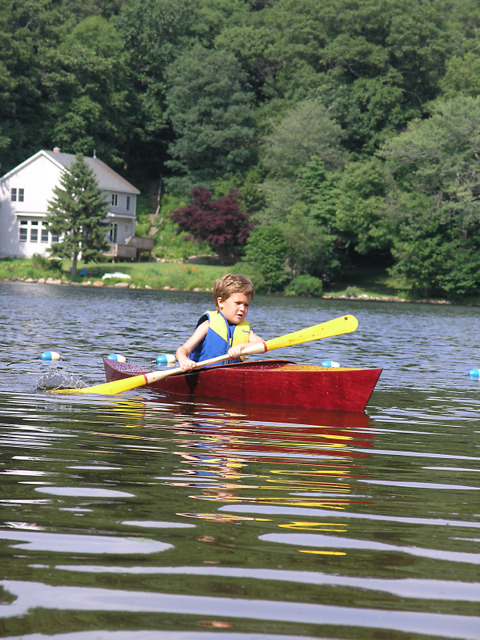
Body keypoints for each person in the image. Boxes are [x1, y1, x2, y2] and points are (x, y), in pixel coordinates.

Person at [176, 273, 264, 371]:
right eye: (238, 303)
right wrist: (184, 360)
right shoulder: (208, 325)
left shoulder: (244, 330)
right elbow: (183, 349)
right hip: (201, 374)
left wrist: (241, 347)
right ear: (221, 302)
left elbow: (262, 345)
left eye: (246, 305)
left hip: (229, 376)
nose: (242, 309)